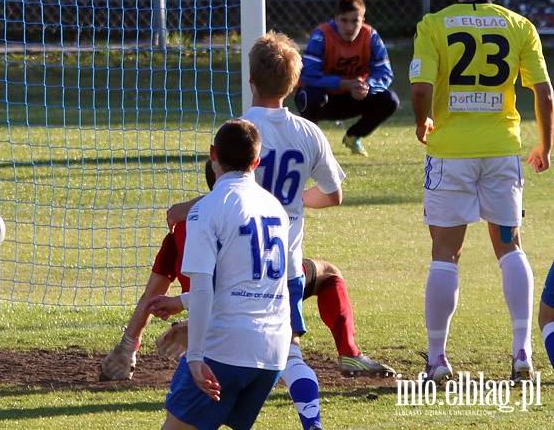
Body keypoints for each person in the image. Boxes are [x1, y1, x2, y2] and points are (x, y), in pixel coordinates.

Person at [154, 31, 355, 430]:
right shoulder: (309, 133)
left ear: (251, 79)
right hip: (285, 262)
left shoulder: (241, 130)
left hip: (242, 265)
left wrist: (184, 208)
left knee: (266, 349)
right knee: (286, 353)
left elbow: (230, 196)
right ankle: (310, 417)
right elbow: (333, 195)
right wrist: (291, 204)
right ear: (295, 83)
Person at [99, 159, 395, 382]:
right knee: (328, 274)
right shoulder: (258, 208)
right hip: (258, 296)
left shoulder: (183, 226)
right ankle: (348, 353)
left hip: (207, 298)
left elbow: (152, 295)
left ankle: (204, 321)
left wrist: (128, 346)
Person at [410, 0, 553, 384]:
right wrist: (545, 146)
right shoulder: (519, 26)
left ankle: (437, 361)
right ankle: (522, 352)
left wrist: (423, 122)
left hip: (450, 155)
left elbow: (420, 89)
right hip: (500, 154)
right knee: (510, 246)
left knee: (445, 254)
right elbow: (544, 94)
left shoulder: (434, 25)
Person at [156, 118, 293, 430]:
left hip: (225, 348)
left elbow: (205, 288)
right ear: (256, 162)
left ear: (212, 154)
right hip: (272, 351)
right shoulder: (275, 209)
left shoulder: (206, 209)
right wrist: (180, 301)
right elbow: (246, 281)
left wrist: (195, 356)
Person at [294, 0, 399, 157]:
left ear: (362, 21)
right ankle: (310, 144)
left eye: (355, 21)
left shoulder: (370, 36)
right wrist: (343, 83)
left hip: (353, 96)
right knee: (311, 96)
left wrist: (367, 86)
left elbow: (385, 73)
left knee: (390, 100)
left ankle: (353, 136)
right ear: (335, 19)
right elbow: (308, 75)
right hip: (324, 97)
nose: (349, 27)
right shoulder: (321, 35)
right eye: (344, 20)